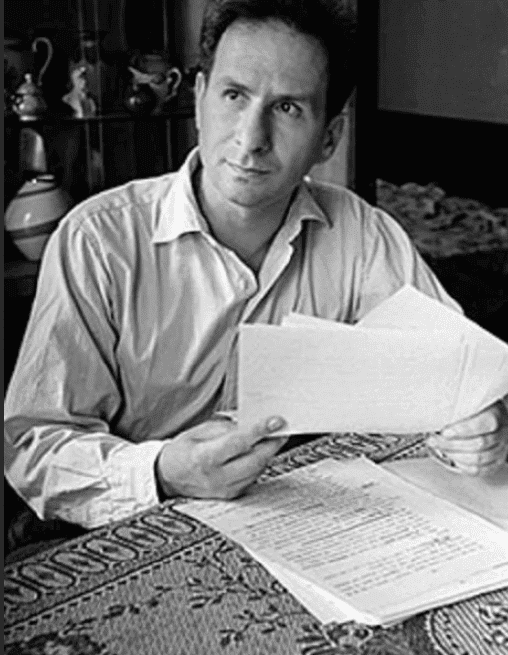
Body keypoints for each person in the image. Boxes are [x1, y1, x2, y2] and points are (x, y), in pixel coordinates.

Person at [5, 0, 508, 538]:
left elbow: (457, 374)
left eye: (288, 108)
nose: (250, 138)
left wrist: (483, 424)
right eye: (234, 96)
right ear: (199, 100)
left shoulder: (362, 234)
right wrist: (162, 471)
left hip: (300, 521)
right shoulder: (99, 240)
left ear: (330, 137)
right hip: (127, 527)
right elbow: (34, 447)